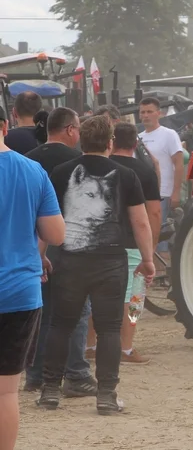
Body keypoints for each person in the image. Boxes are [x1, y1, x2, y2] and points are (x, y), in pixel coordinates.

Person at [39, 116, 155, 415]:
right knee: (109, 330)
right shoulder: (126, 175)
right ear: (110, 143)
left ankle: (50, 391)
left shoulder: (60, 173)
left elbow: (46, 219)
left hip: (69, 260)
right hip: (110, 263)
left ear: (81, 140)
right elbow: (141, 222)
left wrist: (40, 255)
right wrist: (148, 259)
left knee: (60, 325)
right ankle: (106, 395)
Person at [0, 105, 65, 450]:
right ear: (6, 126)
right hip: (19, 294)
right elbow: (55, 234)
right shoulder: (33, 170)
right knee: (7, 391)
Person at [22, 108, 97, 397]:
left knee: (39, 312)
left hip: (32, 246)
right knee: (76, 312)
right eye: (77, 129)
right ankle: (75, 372)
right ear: (69, 130)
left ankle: (36, 374)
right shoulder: (77, 163)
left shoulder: (27, 161)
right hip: (69, 246)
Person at [106, 122, 162, 365]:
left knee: (99, 294)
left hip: (103, 241)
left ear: (112, 142)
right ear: (135, 144)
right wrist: (151, 246)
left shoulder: (101, 167)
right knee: (135, 296)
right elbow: (154, 213)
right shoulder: (145, 170)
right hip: (133, 242)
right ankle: (126, 348)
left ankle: (90, 344)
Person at [138, 97, 183, 262]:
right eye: (142, 112)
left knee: (160, 235)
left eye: (149, 112)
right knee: (146, 234)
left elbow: (178, 164)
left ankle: (162, 270)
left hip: (163, 193)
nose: (145, 115)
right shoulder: (138, 138)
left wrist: (176, 192)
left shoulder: (169, 135)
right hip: (142, 195)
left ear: (159, 113)